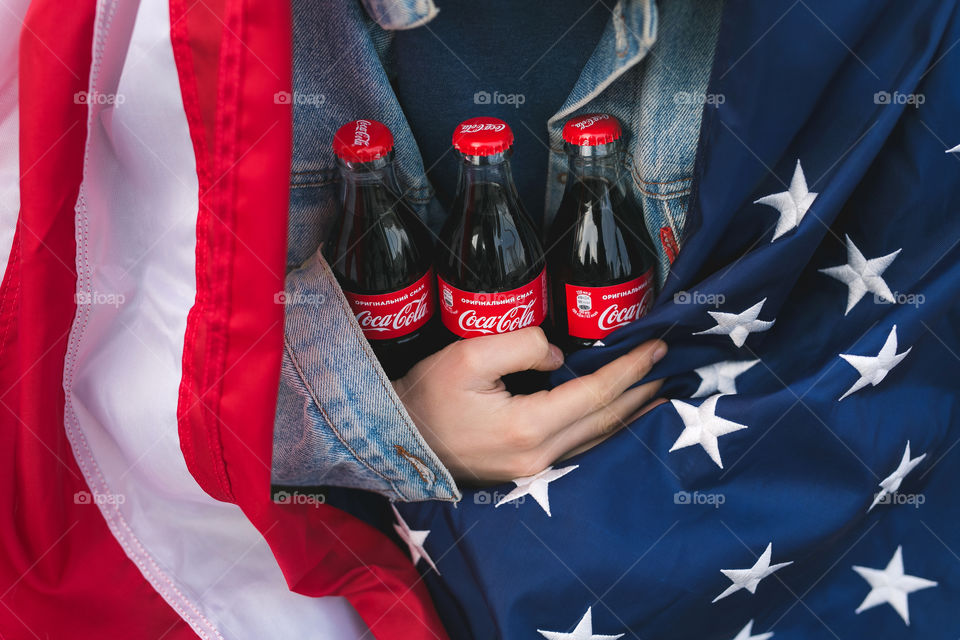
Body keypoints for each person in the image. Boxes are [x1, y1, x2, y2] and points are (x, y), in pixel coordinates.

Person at [272, 0, 717, 502]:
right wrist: (398, 424)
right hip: (399, 510)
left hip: (664, 444)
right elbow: (207, 365)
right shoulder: (263, 27)